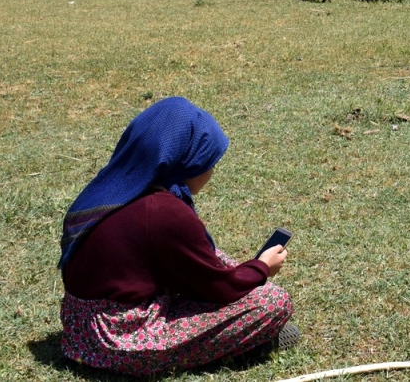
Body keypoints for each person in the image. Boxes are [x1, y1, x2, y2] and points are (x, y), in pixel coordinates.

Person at [58, 97, 296, 375]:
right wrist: (261, 268)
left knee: (217, 259)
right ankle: (242, 345)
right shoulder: (163, 211)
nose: (211, 172)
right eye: (210, 162)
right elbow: (218, 288)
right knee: (272, 302)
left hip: (80, 327)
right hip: (118, 339)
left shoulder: (111, 187)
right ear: (187, 163)